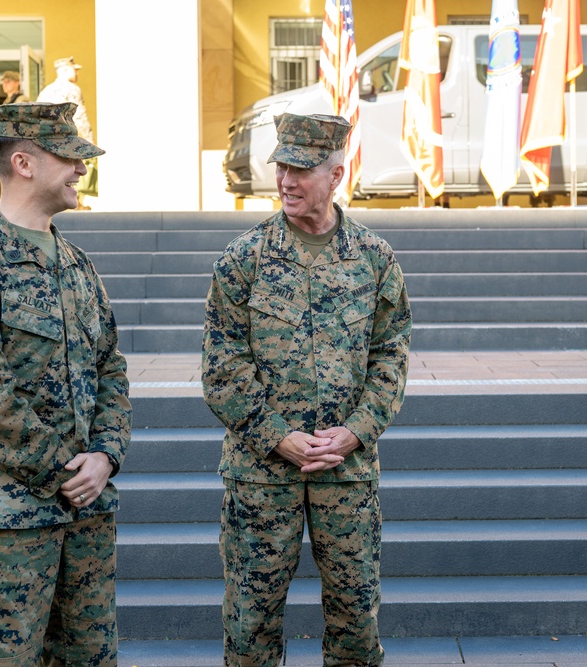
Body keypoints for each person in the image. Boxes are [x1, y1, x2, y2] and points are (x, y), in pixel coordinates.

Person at [202, 112, 412, 667]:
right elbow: (222, 368)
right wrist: (279, 437)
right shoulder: (243, 259)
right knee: (251, 621)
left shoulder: (373, 258)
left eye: (301, 168)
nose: (287, 180)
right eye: (282, 167)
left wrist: (357, 432)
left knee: (355, 621)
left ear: (336, 173)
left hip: (346, 472)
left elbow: (390, 355)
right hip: (260, 475)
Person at [0, 101, 131, 666]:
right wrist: (63, 470)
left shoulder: (77, 264)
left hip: (84, 519)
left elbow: (110, 366)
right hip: (5, 526)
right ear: (23, 162)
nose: (80, 169)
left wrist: (107, 456)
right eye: (68, 157)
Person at [38, 57, 95, 208]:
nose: (77, 73)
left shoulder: (46, 90)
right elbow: (80, 117)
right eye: (74, 69)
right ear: (64, 70)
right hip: (66, 141)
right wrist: (90, 142)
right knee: (75, 172)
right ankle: (76, 204)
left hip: (46, 143)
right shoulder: (72, 89)